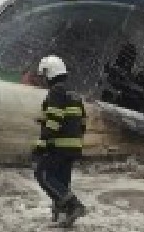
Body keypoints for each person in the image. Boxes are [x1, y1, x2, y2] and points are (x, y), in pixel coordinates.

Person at [33, 55, 86, 228]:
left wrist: (41, 145)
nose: (42, 80)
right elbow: (82, 122)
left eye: (43, 75)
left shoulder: (56, 91)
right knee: (61, 181)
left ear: (50, 73)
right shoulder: (74, 94)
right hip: (73, 146)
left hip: (59, 145)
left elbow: (54, 121)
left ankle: (74, 205)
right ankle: (63, 214)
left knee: (43, 174)